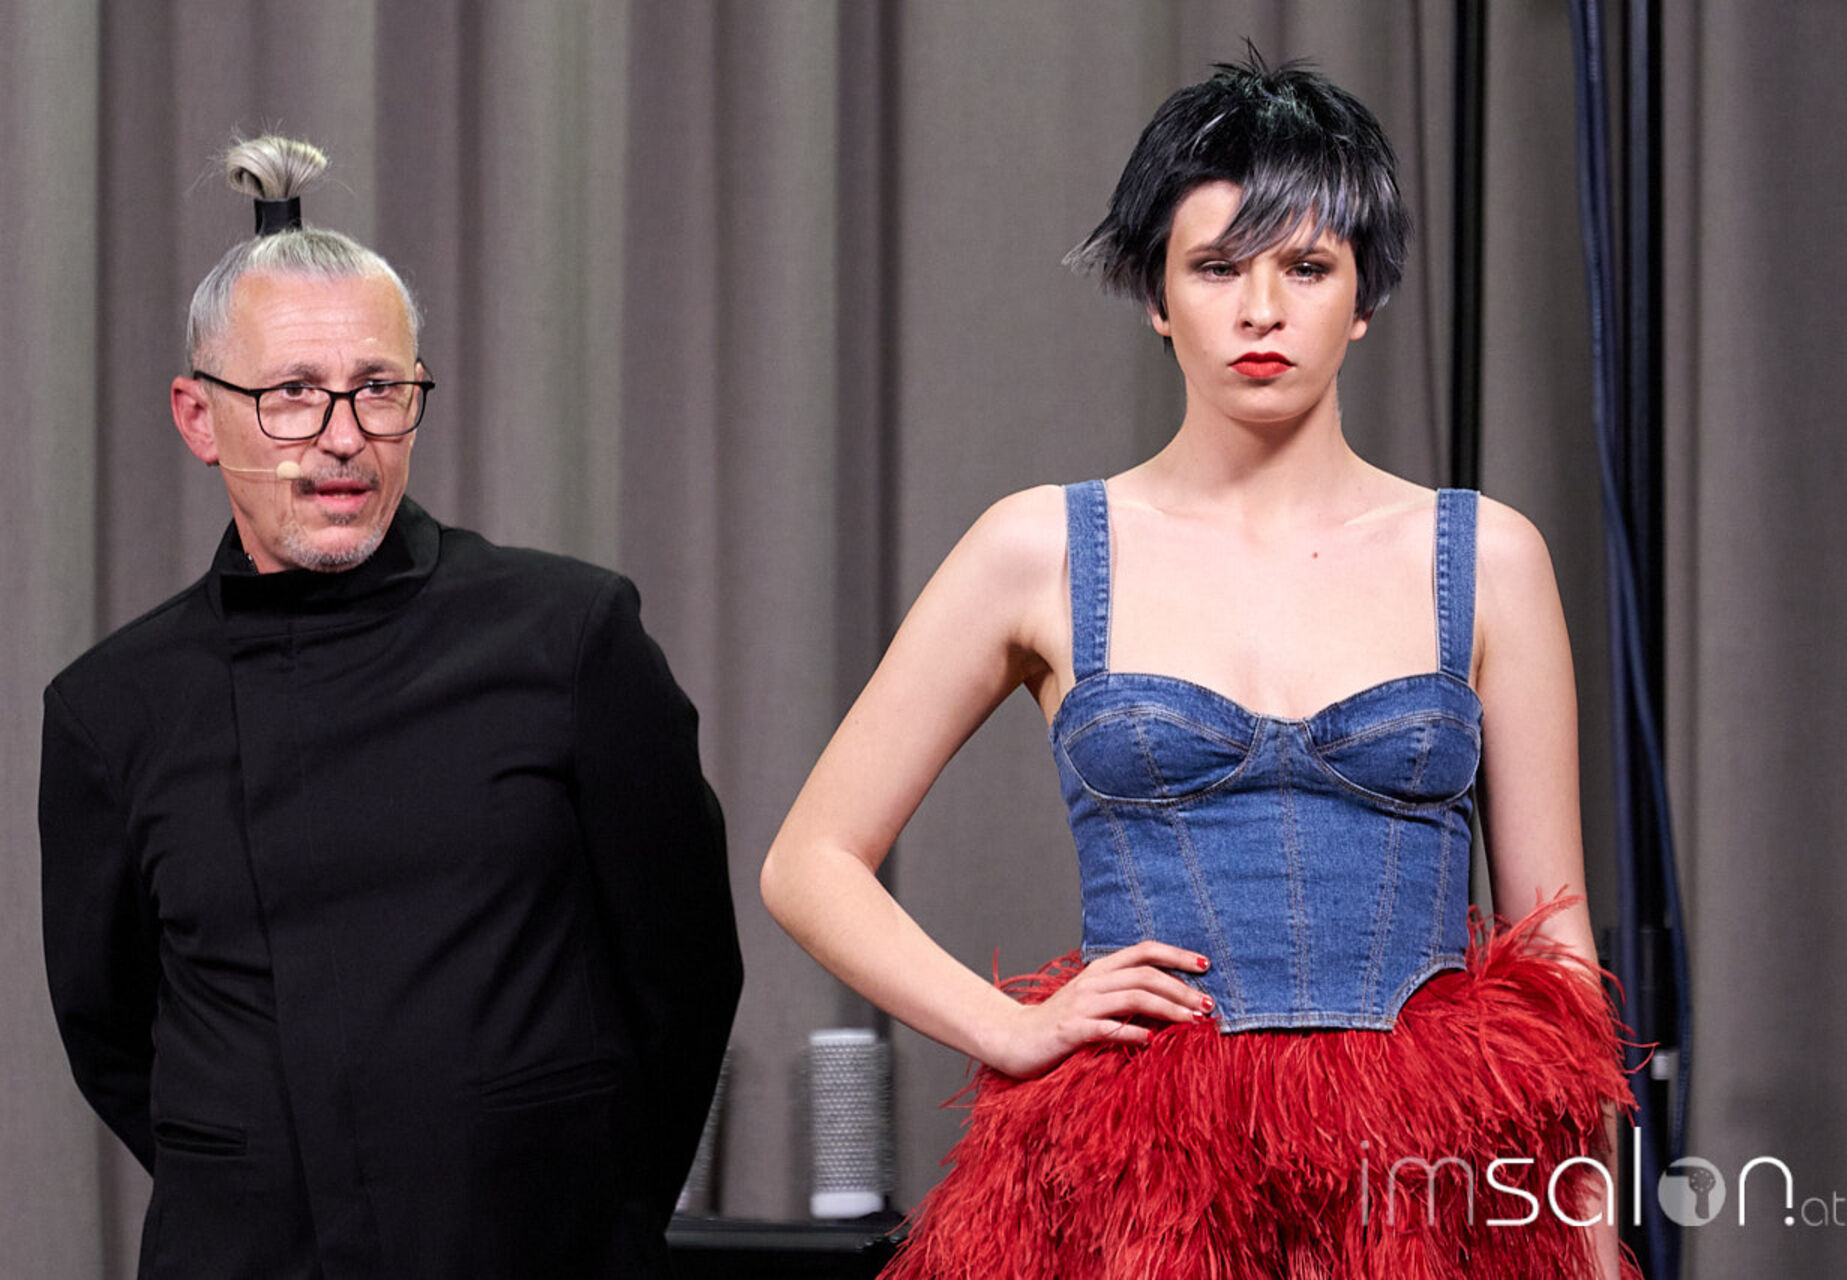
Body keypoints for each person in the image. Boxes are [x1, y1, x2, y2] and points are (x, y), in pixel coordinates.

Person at [762, 54, 1637, 1278]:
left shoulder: (1487, 557)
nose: (1261, 309)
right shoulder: (1038, 549)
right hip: (1140, 1179)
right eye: (1218, 267)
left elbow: (1555, 945)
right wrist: (1010, 1025)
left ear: (1365, 296)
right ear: (1158, 297)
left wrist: (1588, 1236)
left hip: (1422, 1181)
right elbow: (809, 860)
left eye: (1307, 267)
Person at [39, 135, 741, 1280]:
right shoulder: (112, 708)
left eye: (379, 389)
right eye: (291, 394)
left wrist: (589, 1212)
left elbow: (686, 972)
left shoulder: (567, 636)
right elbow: (111, 1033)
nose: (343, 436)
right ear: (198, 416)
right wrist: (255, 1169)